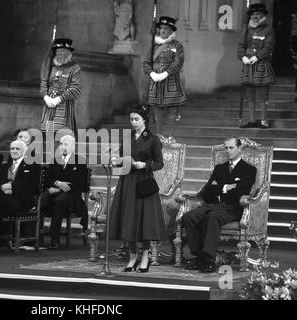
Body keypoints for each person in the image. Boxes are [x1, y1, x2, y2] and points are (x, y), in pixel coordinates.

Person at [182, 137, 256, 273]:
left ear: (239, 149)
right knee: (188, 217)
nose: (228, 151)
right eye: (226, 148)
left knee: (213, 217)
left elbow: (242, 191)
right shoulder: (219, 168)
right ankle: (200, 257)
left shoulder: (249, 169)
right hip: (214, 206)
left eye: (231, 148)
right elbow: (208, 190)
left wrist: (220, 188)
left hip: (234, 209)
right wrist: (227, 187)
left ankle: (209, 260)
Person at [109, 105, 166, 273]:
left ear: (144, 121)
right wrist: (116, 161)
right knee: (129, 220)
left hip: (144, 181)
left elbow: (159, 163)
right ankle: (133, 256)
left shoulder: (152, 139)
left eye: (136, 119)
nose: (133, 122)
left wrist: (145, 165)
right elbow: (121, 159)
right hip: (127, 181)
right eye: (131, 119)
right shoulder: (126, 137)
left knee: (144, 222)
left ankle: (145, 257)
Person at [40, 135, 88, 249]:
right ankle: (33, 236)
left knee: (59, 201)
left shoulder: (80, 161)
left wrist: (60, 187)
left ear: (73, 146)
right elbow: (47, 180)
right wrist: (57, 184)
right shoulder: (55, 160)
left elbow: (80, 183)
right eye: (61, 144)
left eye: (66, 144)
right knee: (41, 199)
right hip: (54, 193)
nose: (62, 147)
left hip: (72, 196)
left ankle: (54, 238)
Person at [143, 16, 186, 138]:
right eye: (161, 28)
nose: (162, 31)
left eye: (166, 29)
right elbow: (146, 62)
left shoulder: (177, 46)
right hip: (155, 81)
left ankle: (171, 138)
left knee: (171, 111)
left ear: (171, 31)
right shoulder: (154, 46)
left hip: (170, 81)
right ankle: (159, 138)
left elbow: (178, 63)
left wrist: (165, 74)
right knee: (157, 112)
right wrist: (152, 73)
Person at [238, 3, 275, 129]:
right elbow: (241, 44)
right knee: (249, 94)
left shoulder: (268, 29)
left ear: (263, 15)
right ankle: (252, 120)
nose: (256, 16)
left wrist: (257, 57)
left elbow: (269, 46)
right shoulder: (247, 28)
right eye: (254, 14)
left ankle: (263, 120)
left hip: (261, 63)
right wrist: (242, 56)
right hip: (248, 64)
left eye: (258, 14)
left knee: (262, 94)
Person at [40, 38, 82, 136]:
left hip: (64, 106)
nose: (59, 53)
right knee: (47, 136)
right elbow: (43, 83)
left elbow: (76, 89)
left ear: (68, 53)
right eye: (57, 51)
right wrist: (46, 97)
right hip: (49, 107)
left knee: (63, 135)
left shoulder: (74, 68)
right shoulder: (51, 67)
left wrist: (59, 99)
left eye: (62, 51)